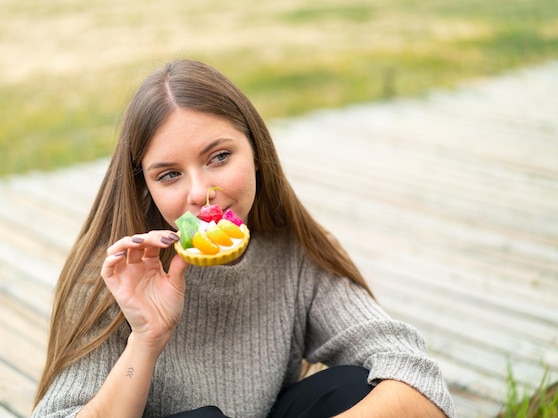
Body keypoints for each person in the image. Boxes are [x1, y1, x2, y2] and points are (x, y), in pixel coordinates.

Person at [32, 59, 455, 418]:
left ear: (256, 153)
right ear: (144, 185)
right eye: (169, 174)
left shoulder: (294, 254)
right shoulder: (117, 277)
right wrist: (145, 340)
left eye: (219, 157)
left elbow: (416, 374)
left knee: (351, 386)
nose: (199, 193)